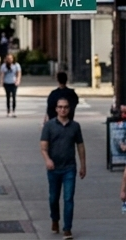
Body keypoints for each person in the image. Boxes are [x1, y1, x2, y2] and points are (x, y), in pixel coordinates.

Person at [40, 99, 86, 239]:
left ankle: (67, 228)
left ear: (69, 109)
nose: (63, 110)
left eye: (66, 107)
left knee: (68, 198)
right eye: (60, 107)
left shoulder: (75, 126)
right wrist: (47, 160)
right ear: (56, 109)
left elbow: (80, 146)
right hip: (54, 168)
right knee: (54, 198)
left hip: (69, 168)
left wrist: (83, 164)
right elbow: (43, 147)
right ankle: (55, 219)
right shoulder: (49, 126)